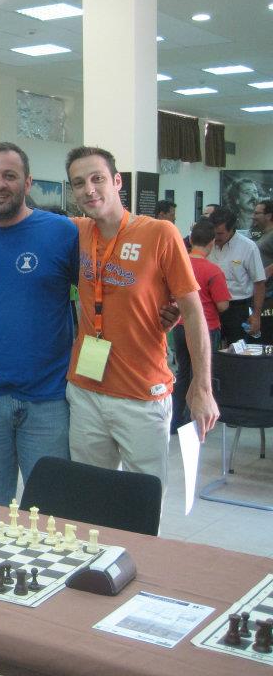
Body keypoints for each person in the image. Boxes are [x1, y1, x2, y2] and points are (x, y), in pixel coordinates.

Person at [64, 146, 218, 494]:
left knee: (143, 501)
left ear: (117, 181)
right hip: (86, 391)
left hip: (142, 395)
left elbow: (193, 311)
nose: (89, 189)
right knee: (89, 499)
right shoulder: (77, 231)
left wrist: (202, 387)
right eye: (79, 183)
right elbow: (21, 216)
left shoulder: (159, 233)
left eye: (97, 179)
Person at [0, 143, 78, 506]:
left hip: (49, 399)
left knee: (51, 511)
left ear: (27, 182)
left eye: (9, 175)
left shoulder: (63, 232)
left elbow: (101, 293)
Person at [171, 219, 230, 433]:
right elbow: (222, 305)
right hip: (206, 328)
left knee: (182, 373)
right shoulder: (213, 271)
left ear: (191, 239)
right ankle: (194, 422)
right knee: (201, 375)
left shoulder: (178, 264)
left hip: (178, 326)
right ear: (212, 243)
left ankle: (175, 420)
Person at [207, 206, 265, 344]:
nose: (216, 237)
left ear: (232, 229)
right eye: (213, 233)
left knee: (236, 350)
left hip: (237, 308)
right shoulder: (208, 244)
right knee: (209, 351)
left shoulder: (248, 247)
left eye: (220, 234)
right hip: (211, 306)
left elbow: (259, 282)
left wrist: (256, 315)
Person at [253, 199, 273, 343]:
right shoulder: (264, 234)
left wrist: (267, 272)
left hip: (270, 295)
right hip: (262, 293)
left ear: (269, 215)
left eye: (257, 213)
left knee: (267, 334)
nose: (253, 216)